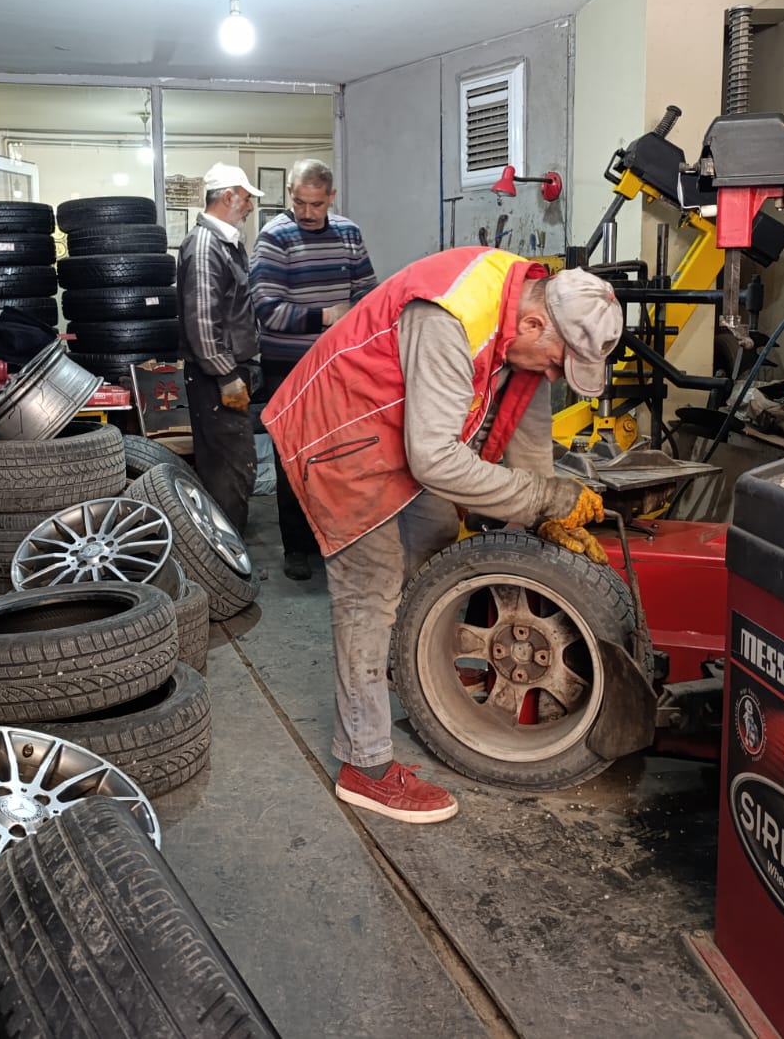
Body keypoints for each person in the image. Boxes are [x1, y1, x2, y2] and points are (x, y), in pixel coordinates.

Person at [262, 247, 622, 824]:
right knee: (371, 590)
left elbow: (527, 417)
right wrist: (542, 498)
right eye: (558, 361)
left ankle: (404, 678)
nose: (555, 374)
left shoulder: (526, 300)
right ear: (534, 325)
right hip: (342, 431)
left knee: (433, 544)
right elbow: (433, 461)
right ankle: (366, 765)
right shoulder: (450, 317)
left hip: (398, 425)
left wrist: (541, 509)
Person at [250, 159, 377, 581]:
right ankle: (297, 547)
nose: (306, 212)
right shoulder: (274, 238)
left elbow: (367, 294)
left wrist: (357, 323)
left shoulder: (348, 233)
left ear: (331, 198)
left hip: (337, 364)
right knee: (294, 456)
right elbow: (265, 309)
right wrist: (325, 317)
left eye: (316, 204)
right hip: (288, 364)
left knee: (339, 454)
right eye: (299, 202)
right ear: (289, 193)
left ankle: (334, 538)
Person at [176, 163, 264, 533]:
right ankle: (226, 560)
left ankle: (228, 547)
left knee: (233, 465)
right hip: (216, 377)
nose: (250, 206)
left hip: (227, 371)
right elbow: (201, 320)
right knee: (229, 467)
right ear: (228, 196)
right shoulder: (206, 245)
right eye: (245, 198)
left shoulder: (225, 243)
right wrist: (227, 375)